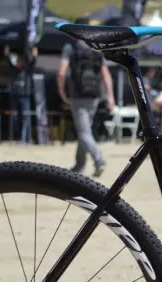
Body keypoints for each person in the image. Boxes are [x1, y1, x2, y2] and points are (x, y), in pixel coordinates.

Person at [58, 20, 115, 177]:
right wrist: (110, 96)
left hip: (78, 96)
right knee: (85, 130)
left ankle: (99, 160)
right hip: (95, 96)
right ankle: (79, 165)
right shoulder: (95, 47)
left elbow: (62, 73)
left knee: (83, 133)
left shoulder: (70, 47)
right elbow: (106, 75)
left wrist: (62, 92)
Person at [5, 45, 37, 145]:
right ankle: (15, 137)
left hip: (25, 96)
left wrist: (34, 55)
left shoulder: (27, 71)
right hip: (14, 95)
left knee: (25, 117)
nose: (19, 62)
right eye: (18, 61)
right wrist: (7, 54)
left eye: (21, 61)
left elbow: (33, 63)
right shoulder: (14, 70)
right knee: (14, 117)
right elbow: (9, 63)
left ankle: (24, 139)